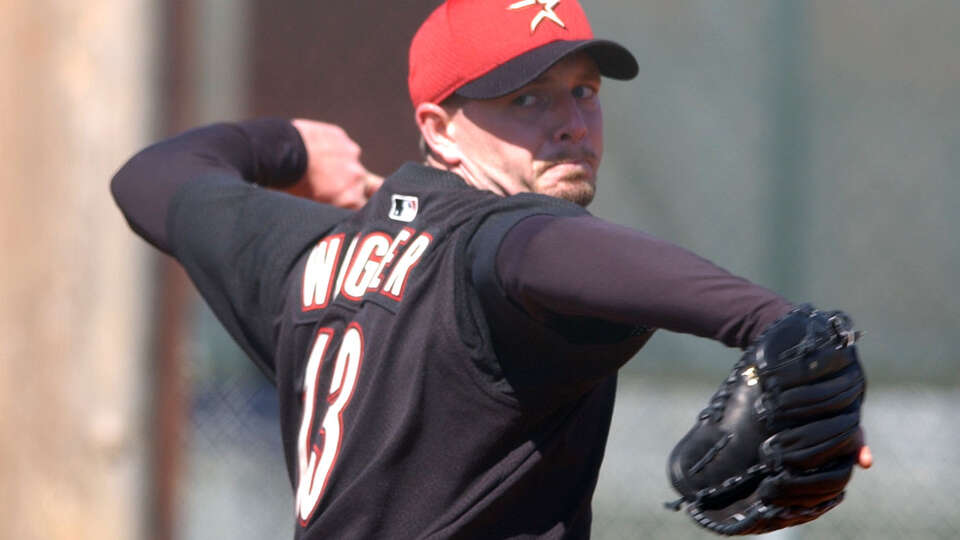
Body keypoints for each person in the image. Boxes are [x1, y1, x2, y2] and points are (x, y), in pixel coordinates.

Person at [111, 1, 870, 538]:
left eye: (583, 91)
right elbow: (546, 248)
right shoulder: (507, 246)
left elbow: (150, 179)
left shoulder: (307, 255)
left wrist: (287, 145)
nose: (571, 121)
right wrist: (773, 322)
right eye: (527, 98)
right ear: (439, 129)